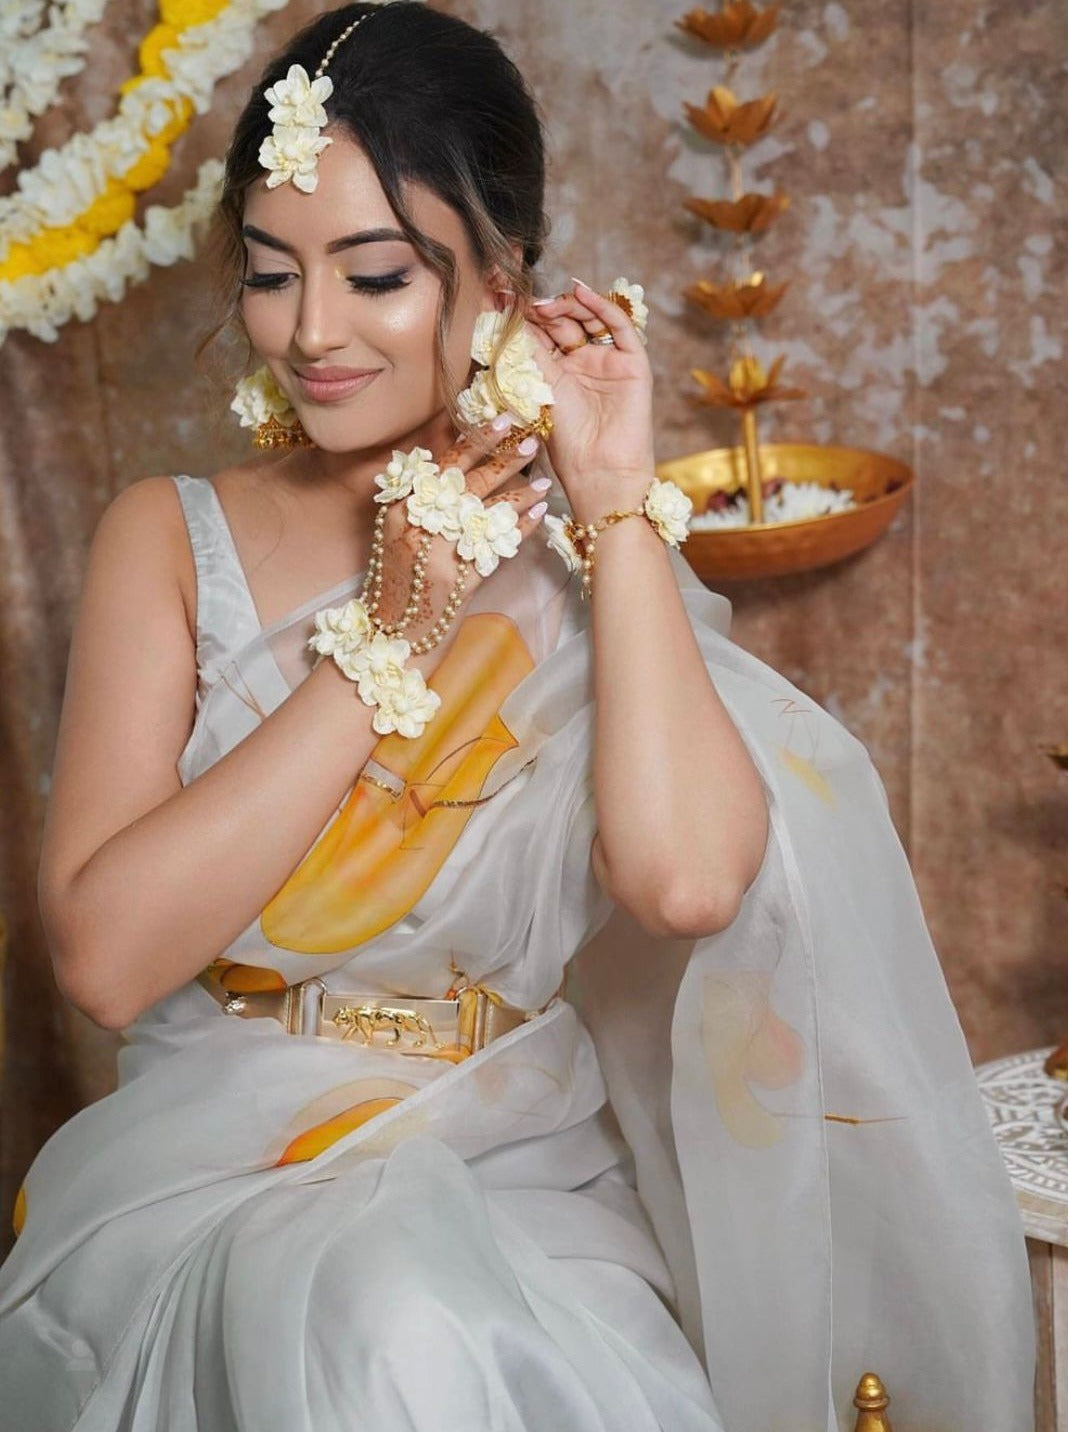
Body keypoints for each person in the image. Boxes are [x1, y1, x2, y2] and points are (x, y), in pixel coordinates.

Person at [0, 4, 1035, 1429]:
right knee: (384, 1320)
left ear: (501, 279)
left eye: (374, 277)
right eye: (269, 274)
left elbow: (683, 881)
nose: (311, 333)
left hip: (521, 1185)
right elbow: (107, 963)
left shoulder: (590, 556)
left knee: (426, 1315)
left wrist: (614, 507)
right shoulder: (169, 540)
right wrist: (387, 642)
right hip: (223, 1171)